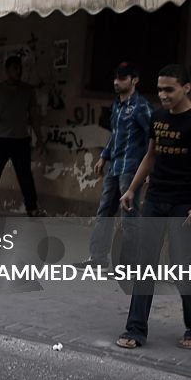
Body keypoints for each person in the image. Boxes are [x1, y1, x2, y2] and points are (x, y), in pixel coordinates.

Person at [116, 63, 191, 350]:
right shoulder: (158, 118)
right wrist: (132, 189)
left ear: (186, 87)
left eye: (169, 89)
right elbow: (150, 156)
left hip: (183, 205)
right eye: (160, 88)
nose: (163, 94)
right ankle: (135, 329)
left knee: (179, 266)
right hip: (154, 200)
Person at [74, 62, 152, 270]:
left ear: (134, 80)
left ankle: (128, 266)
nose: (117, 82)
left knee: (129, 217)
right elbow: (115, 134)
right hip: (114, 167)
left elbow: (152, 139)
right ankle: (97, 258)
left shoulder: (141, 106)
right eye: (116, 77)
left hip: (131, 169)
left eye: (122, 78)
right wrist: (103, 157)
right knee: (104, 212)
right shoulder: (117, 105)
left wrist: (148, 170)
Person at [0, 55, 47, 217]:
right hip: (0, 138)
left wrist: (39, 137)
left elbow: (33, 115)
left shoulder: (28, 91)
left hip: (20, 138)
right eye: (15, 68)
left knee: (25, 174)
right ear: (7, 70)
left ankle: (31, 207)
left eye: (20, 68)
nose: (18, 71)